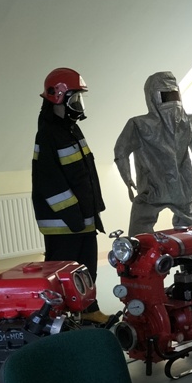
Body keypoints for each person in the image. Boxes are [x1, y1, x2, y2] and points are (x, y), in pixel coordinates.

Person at [31, 68, 109, 323]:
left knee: (86, 269)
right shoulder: (48, 134)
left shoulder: (71, 129)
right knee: (60, 275)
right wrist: (74, 216)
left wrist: (91, 211)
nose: (78, 105)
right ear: (57, 97)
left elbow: (85, 175)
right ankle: (53, 319)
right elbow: (49, 182)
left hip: (82, 218)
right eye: (74, 98)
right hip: (63, 223)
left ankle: (89, 310)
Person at [114, 71, 192, 236]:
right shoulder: (185, 122)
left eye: (174, 95)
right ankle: (186, 249)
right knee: (187, 226)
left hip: (154, 190)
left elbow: (121, 151)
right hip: (177, 189)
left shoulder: (141, 124)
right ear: (153, 97)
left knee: (142, 228)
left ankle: (186, 249)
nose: (172, 101)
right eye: (166, 96)